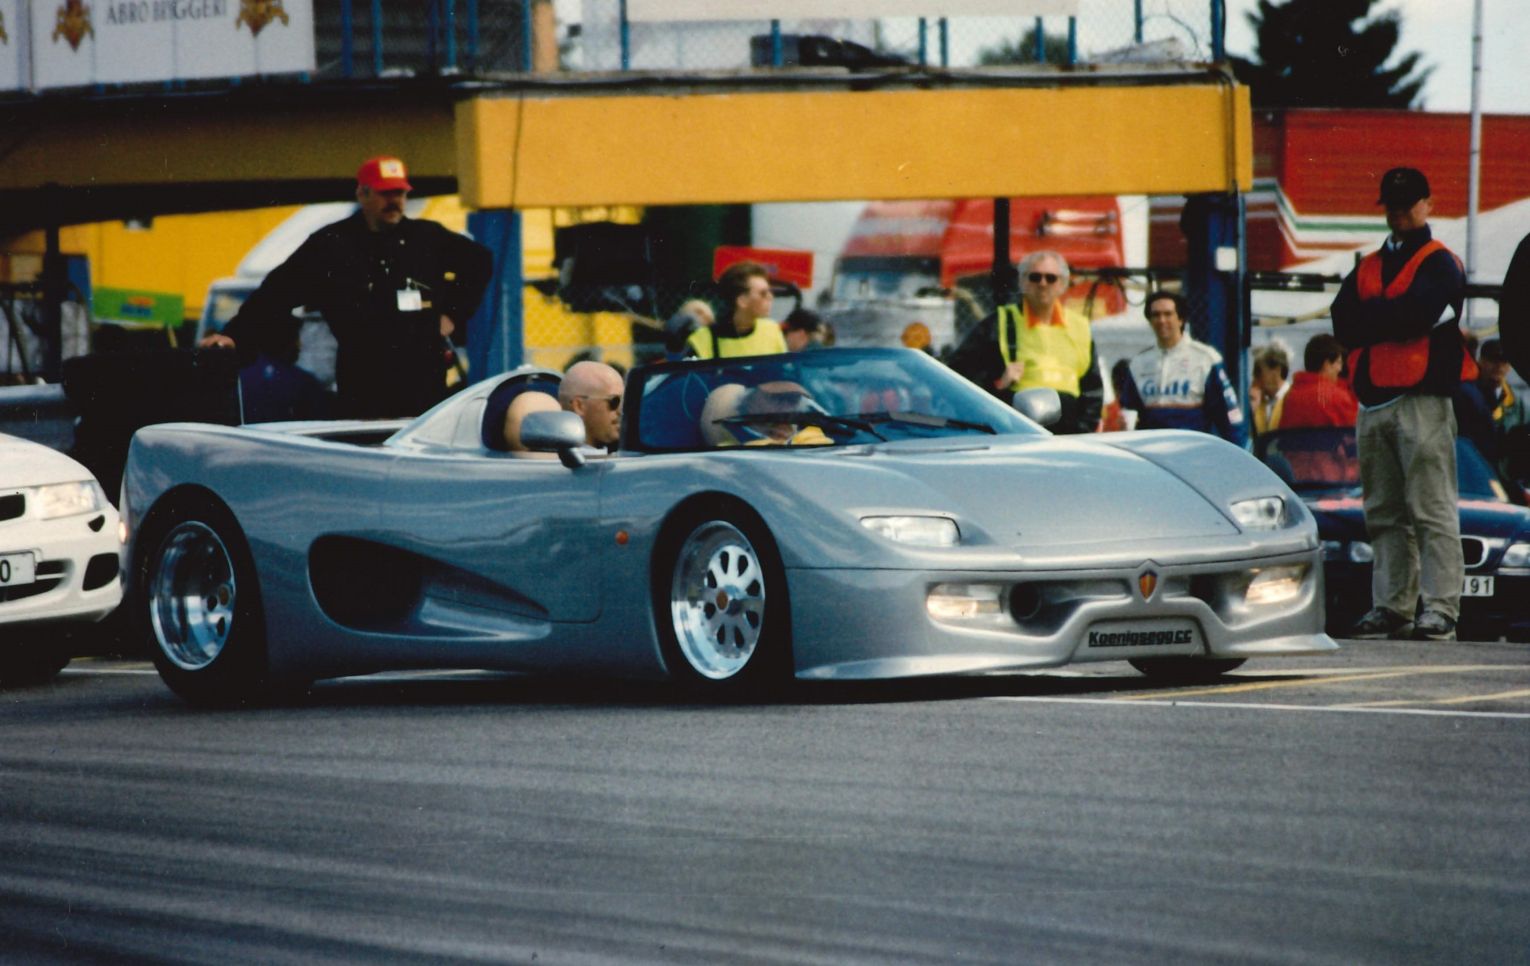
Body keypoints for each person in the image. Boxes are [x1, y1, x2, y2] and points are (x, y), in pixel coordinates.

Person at [203, 156, 493, 419]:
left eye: (400, 193)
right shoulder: (332, 245)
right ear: (362, 194)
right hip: (364, 376)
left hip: (423, 374)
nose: (394, 201)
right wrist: (233, 335)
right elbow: (276, 292)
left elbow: (480, 261)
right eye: (384, 193)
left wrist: (452, 315)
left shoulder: (427, 238)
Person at [1331, 166, 1474, 642]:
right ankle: (1392, 605)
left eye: (1409, 203)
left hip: (1422, 400)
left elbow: (1415, 313)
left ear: (1427, 205)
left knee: (1430, 508)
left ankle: (1439, 607)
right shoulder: (1371, 263)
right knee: (1384, 511)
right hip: (1374, 402)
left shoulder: (1440, 261)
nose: (1399, 212)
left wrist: (1376, 319)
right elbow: (1342, 321)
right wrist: (1394, 320)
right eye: (1392, 204)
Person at [947, 251, 1102, 435]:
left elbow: (1093, 390)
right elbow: (959, 373)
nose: (1042, 284)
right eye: (1035, 277)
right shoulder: (999, 323)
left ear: (1062, 284)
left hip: (1069, 431)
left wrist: (1083, 431)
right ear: (1022, 282)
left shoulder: (1080, 326)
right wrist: (997, 383)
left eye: (1051, 278)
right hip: (1020, 429)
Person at [1116, 290, 1247, 446]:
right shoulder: (1139, 363)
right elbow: (1129, 413)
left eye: (1168, 314)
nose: (1162, 320)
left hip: (1192, 453)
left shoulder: (1205, 359)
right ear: (1150, 321)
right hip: (1152, 453)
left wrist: (1238, 456)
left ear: (1181, 319)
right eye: (1156, 315)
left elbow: (1230, 416)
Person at [1454, 338, 1528, 478]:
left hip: (1506, 478)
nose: (1498, 366)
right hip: (1472, 474)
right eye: (1493, 360)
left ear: (1509, 366)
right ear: (1481, 361)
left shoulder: (1519, 405)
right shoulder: (1464, 397)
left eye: (1504, 361)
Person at [686, 261, 788, 359]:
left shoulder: (771, 330)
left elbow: (784, 373)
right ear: (742, 301)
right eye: (763, 293)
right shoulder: (703, 339)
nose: (770, 297)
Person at [1277, 334, 1358, 429]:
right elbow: (1358, 433)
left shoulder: (1290, 396)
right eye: (1338, 362)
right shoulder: (1337, 397)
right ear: (1326, 364)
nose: (1340, 369)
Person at [558, 360, 625, 449]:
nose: (621, 411)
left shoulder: (635, 453)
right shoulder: (555, 460)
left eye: (624, 401)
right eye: (614, 401)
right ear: (579, 406)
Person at [1248, 342, 1292, 435]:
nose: (1255, 377)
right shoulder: (1259, 403)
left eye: (1258, 371)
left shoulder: (1292, 398)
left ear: (1276, 370)